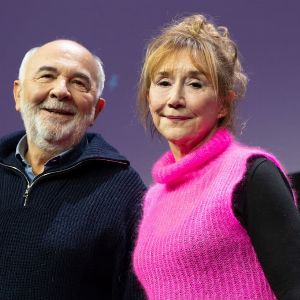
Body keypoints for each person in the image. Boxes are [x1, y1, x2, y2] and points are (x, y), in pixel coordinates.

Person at [133, 14, 300, 299]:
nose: (175, 98)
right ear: (149, 95)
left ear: (223, 103)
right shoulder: (153, 197)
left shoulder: (251, 175)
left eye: (195, 84)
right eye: (163, 82)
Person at [0, 39, 146, 299]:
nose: (60, 91)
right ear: (18, 94)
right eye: (47, 76)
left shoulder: (125, 191)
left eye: (79, 83)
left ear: (96, 111)